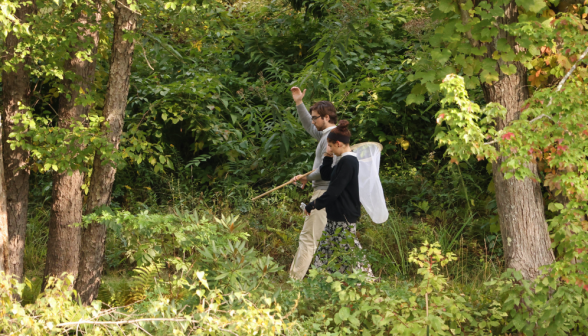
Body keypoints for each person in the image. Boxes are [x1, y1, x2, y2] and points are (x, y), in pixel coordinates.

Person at [304, 120, 373, 276]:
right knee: (325, 249)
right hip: (335, 215)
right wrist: (327, 157)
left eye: (331, 146)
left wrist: (313, 204)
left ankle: (368, 282)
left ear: (339, 144)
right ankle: (320, 282)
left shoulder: (349, 162)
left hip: (345, 215)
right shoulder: (343, 161)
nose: (331, 149)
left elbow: (334, 190)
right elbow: (328, 176)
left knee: (352, 251)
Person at [288, 87, 338, 280]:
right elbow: (308, 126)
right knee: (335, 241)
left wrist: (306, 177)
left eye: (315, 117)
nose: (313, 120)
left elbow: (328, 169)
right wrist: (299, 103)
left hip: (324, 194)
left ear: (326, 118)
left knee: (308, 239)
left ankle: (294, 283)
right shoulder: (327, 135)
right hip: (331, 195)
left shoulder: (331, 138)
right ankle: (341, 282)